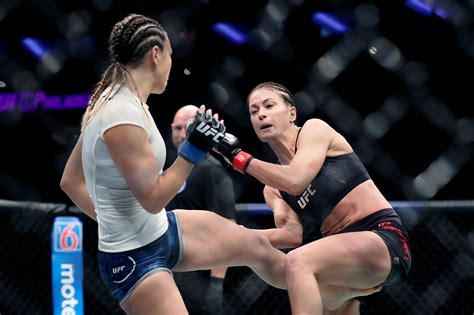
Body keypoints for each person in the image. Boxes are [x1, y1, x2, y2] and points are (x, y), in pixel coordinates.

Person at [59, 15, 287, 315]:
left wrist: (115, 218)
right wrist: (193, 149)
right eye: (170, 55)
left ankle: (331, 290)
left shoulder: (120, 102)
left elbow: (70, 180)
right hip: (134, 258)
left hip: (162, 230)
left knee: (258, 249)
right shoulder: (120, 115)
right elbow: (153, 199)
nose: (171, 64)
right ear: (156, 55)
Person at [215, 82, 412, 315]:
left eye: (269, 105)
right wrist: (238, 235)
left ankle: (336, 293)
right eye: (254, 111)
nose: (261, 114)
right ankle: (338, 294)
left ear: (292, 113)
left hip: (382, 238)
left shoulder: (314, 130)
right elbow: (291, 234)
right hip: (344, 259)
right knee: (265, 256)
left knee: (297, 262)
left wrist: (239, 158)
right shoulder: (272, 188)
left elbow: (296, 179)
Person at [168, 104, 237, 315]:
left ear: (198, 128)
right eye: (176, 128)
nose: (181, 134)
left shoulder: (211, 170)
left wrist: (216, 283)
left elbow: (228, 228)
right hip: (168, 268)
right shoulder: (168, 167)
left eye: (186, 128)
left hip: (199, 272)